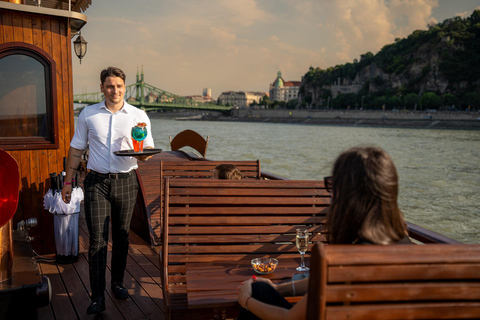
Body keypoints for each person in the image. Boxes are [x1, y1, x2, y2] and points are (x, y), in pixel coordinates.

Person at [237, 145, 411, 320]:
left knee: (258, 292)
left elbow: (290, 318)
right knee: (264, 290)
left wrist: (247, 300)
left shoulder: (351, 260)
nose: (331, 195)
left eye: (333, 186)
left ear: (348, 196)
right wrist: (279, 288)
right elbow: (325, 283)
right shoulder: (406, 245)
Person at [61, 66, 154, 315]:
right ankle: (97, 296)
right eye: (110, 86)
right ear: (102, 87)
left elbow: (146, 153)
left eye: (120, 86)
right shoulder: (88, 114)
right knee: (97, 241)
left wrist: (139, 151)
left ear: (125, 88)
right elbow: (76, 149)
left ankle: (118, 283)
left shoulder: (138, 115)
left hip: (126, 181)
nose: (115, 90)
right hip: (96, 183)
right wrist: (68, 182)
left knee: (122, 237)